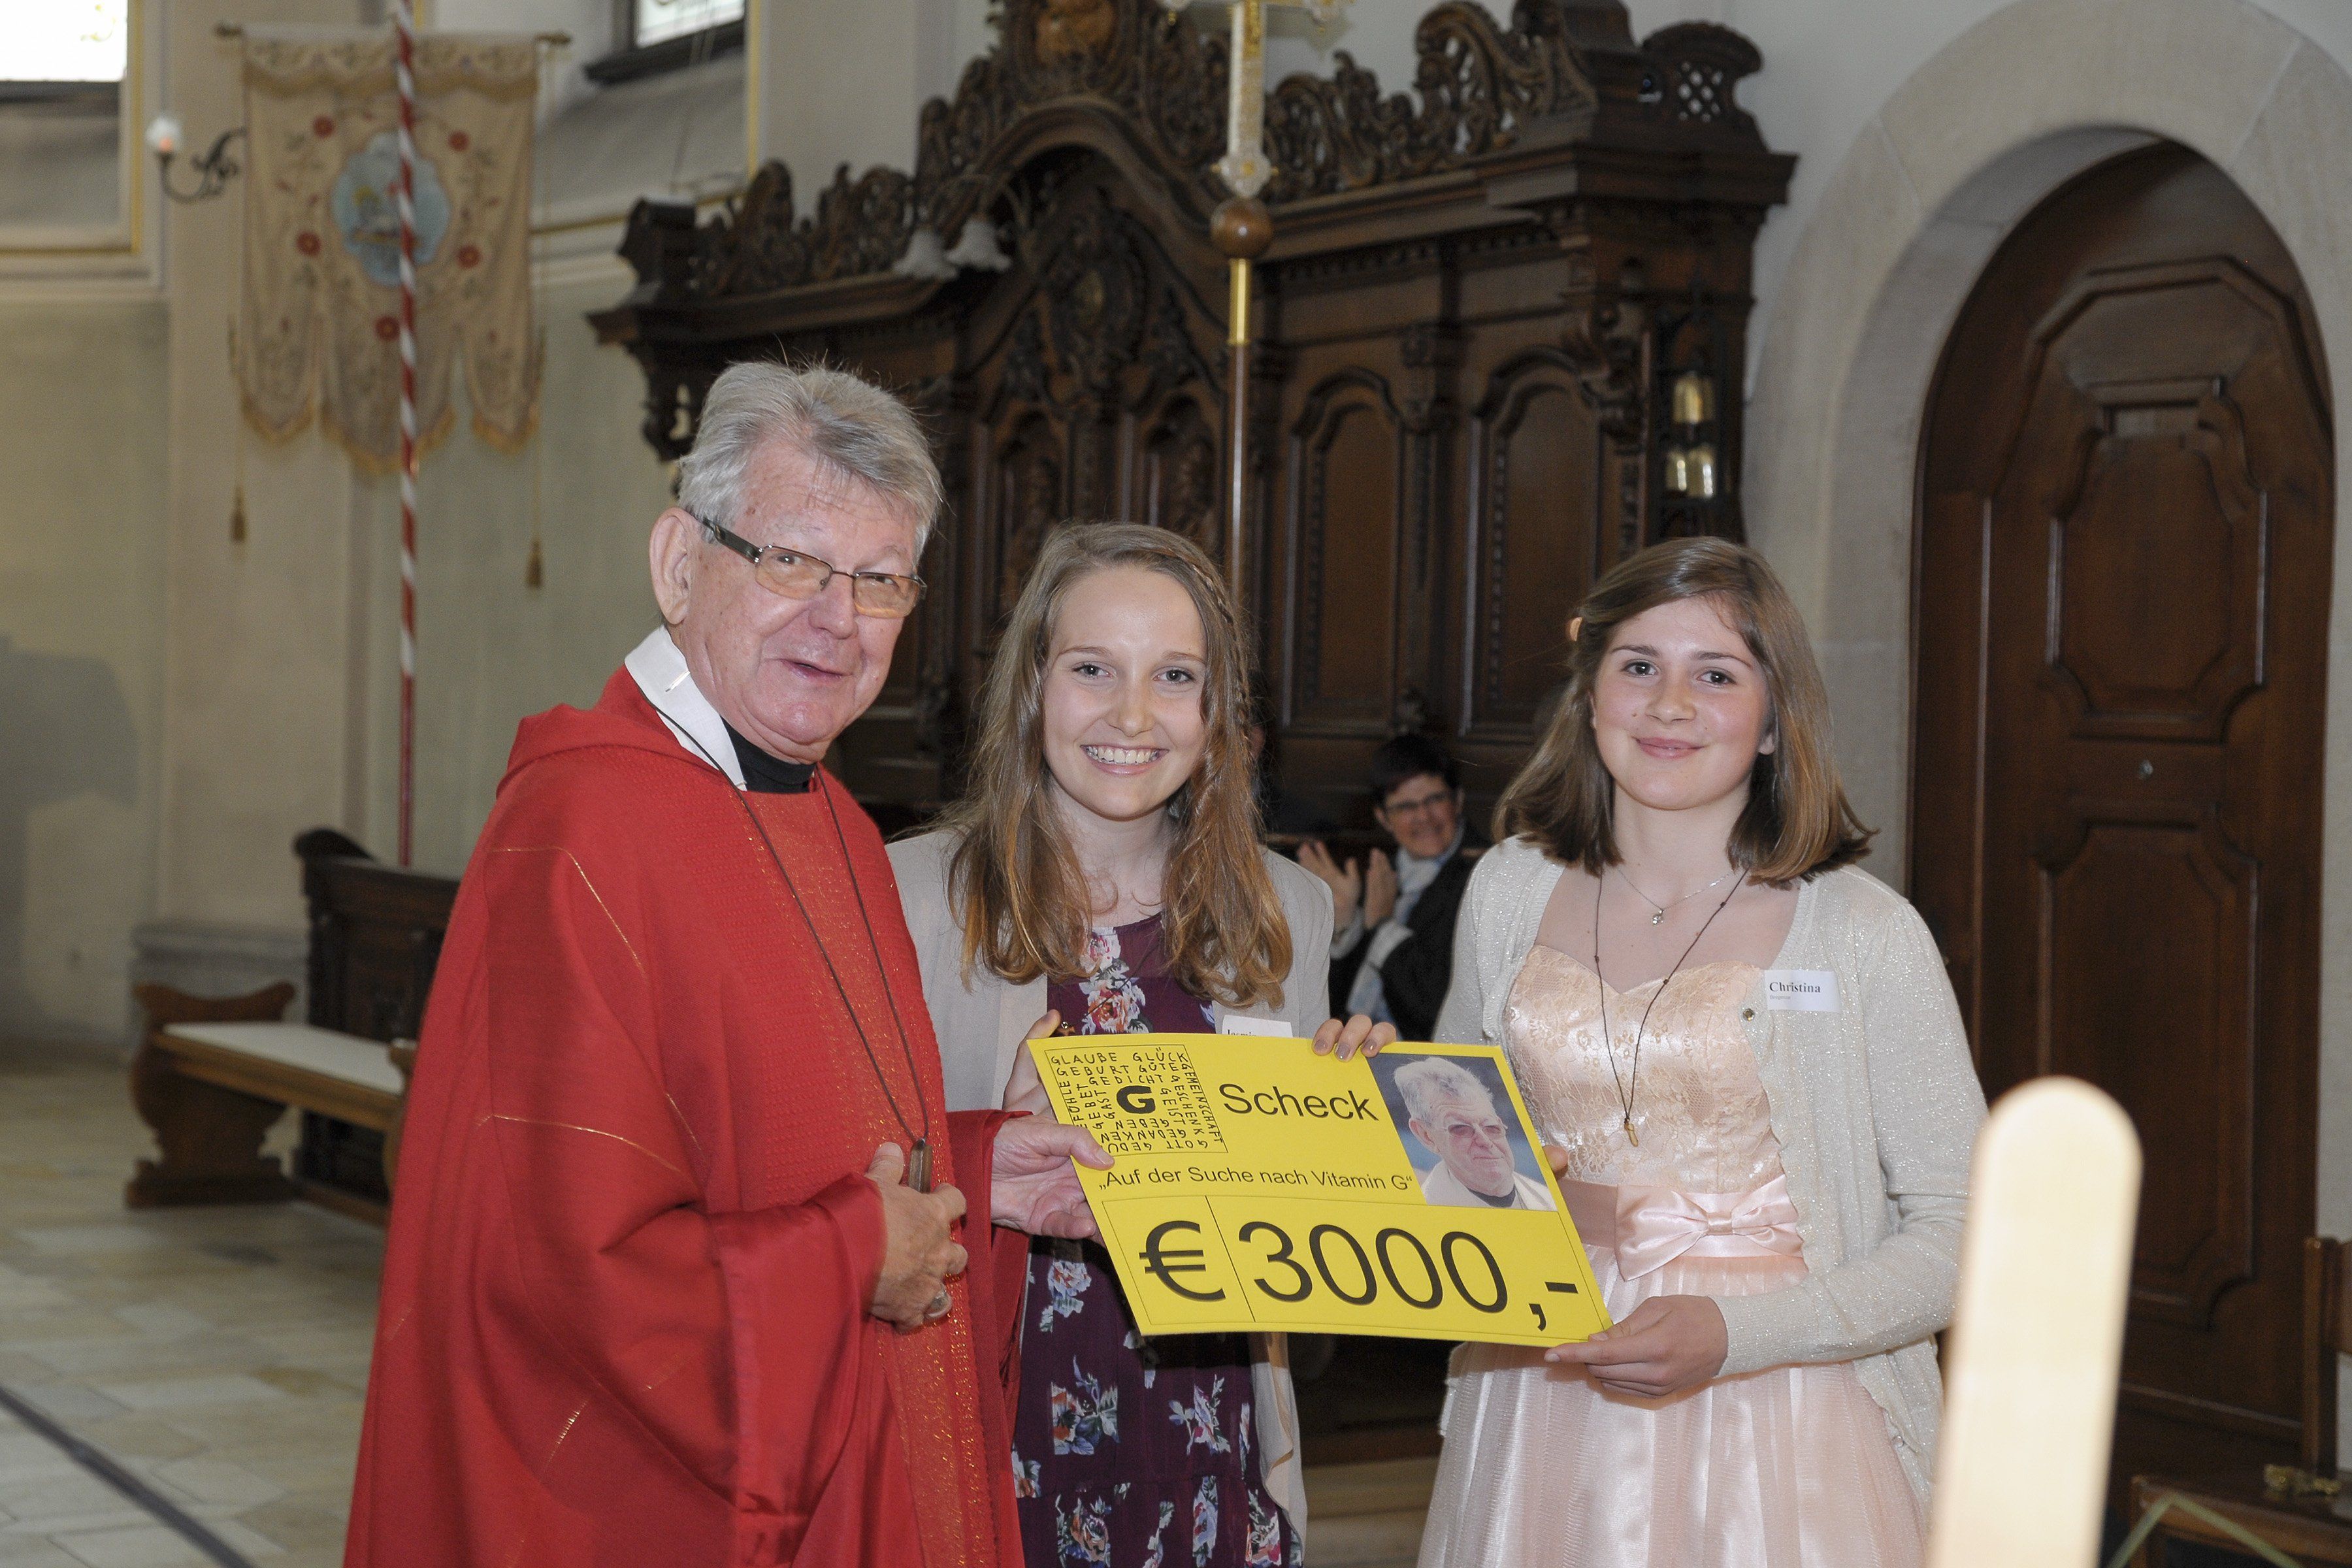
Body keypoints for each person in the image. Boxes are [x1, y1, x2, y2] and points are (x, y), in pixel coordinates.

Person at [346, 364, 1112, 1568]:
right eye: (791, 561)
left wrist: (976, 1175)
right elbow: (556, 1270)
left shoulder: (837, 824)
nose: (838, 620)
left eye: (880, 581)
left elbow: (808, 1150)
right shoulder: (580, 831)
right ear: (678, 563)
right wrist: (852, 1256)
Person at [1418, 538, 1986, 1568]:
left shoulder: (1864, 931)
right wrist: (1370, 1093)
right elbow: (1452, 1156)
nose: (1670, 704)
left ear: (1772, 722)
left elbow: (1967, 1230)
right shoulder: (1506, 888)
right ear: (1591, 696)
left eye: (1716, 675)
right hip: (1543, 1375)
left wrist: (1740, 1334)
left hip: (1788, 1399)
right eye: (1639, 666)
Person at [890, 523, 1392, 1568]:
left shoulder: (1286, 908)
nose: (1131, 715)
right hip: (998, 1422)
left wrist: (1361, 1126)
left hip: (1210, 1427)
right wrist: (983, 1142)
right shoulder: (912, 897)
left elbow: (1300, 1233)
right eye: (1092, 669)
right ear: (1033, 686)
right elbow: (852, 1183)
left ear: (1216, 711)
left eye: (1174, 676)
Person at [1300, 734, 1478, 1041]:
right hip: (1353, 1043)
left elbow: (1431, 1013)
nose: (1424, 817)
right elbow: (1326, 1004)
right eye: (1406, 806)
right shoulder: (1380, 869)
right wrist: (1345, 924)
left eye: (1435, 800)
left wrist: (1383, 927)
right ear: (1383, 818)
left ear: (1458, 801)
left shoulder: (1481, 875)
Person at [1392, 1056, 1554, 1210]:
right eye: (1461, 1129)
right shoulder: (1423, 1207)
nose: (1485, 1141)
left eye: (1491, 1127)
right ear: (1426, 1136)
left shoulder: (1549, 1200)